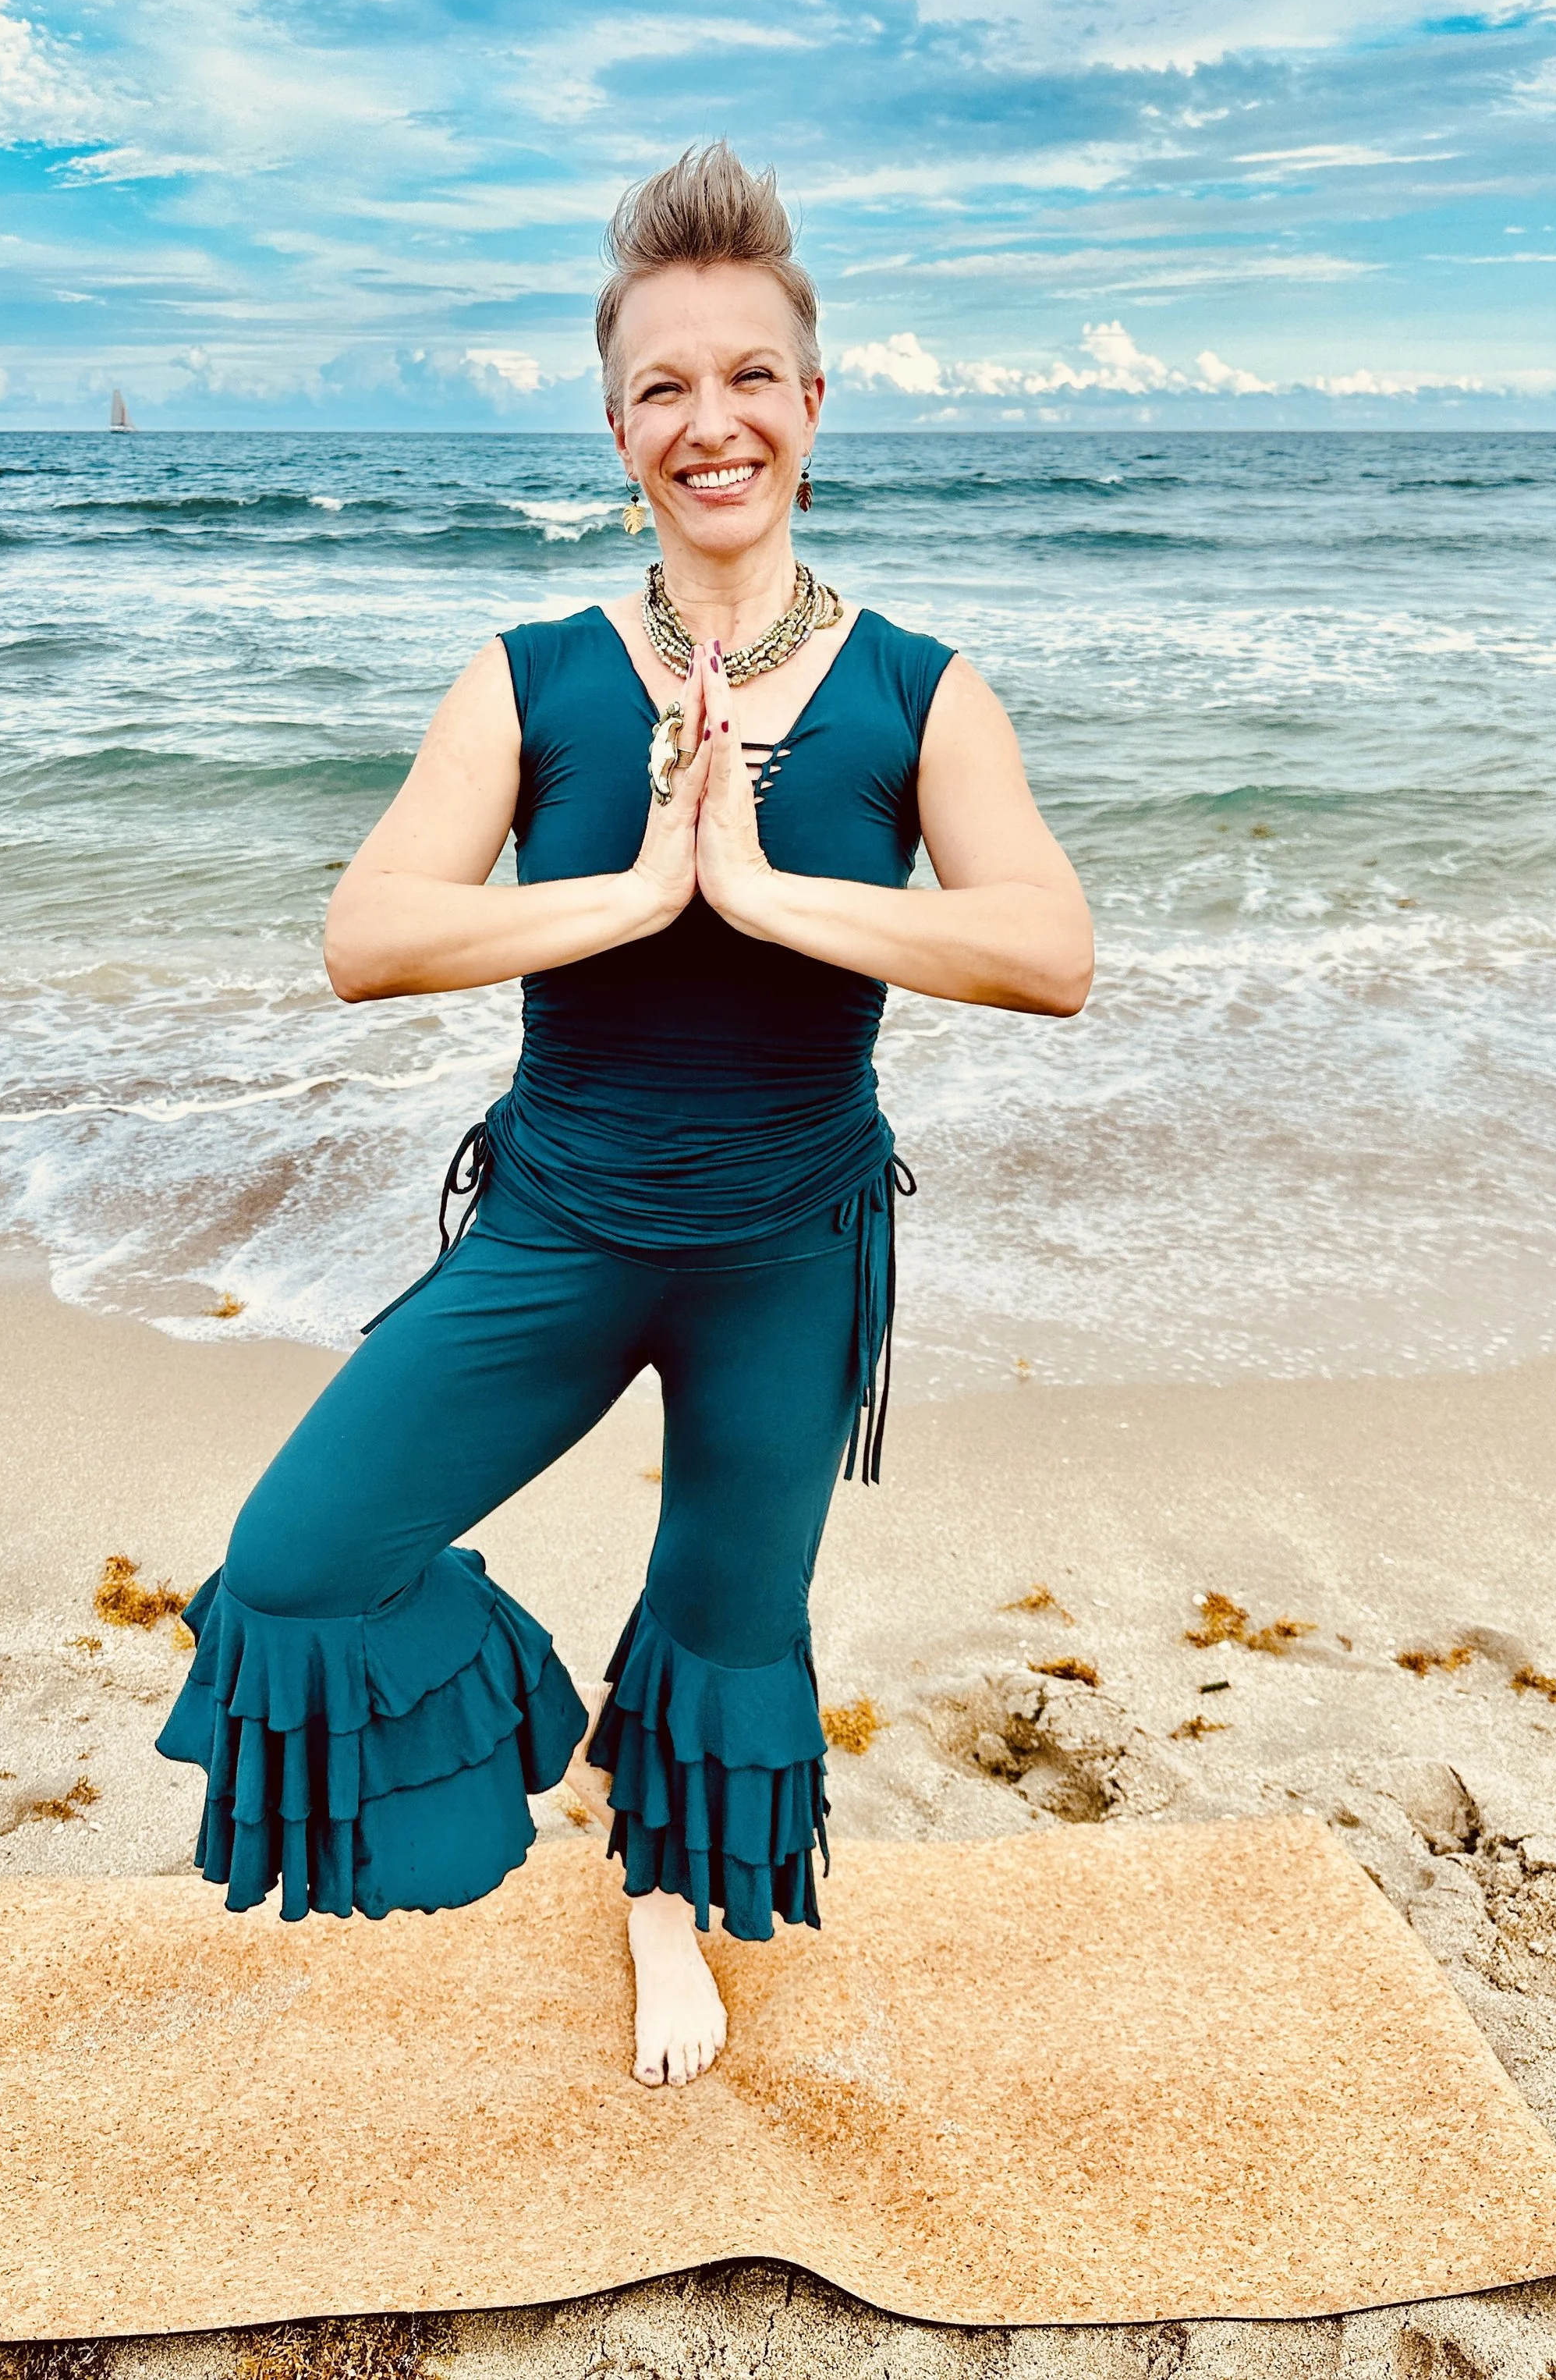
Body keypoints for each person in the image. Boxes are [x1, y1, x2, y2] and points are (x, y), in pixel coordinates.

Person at [157, 141, 1093, 2089]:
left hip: (793, 1245)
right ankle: (570, 1741)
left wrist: (766, 896)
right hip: (560, 1221)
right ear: (616, 428)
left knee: (727, 1614)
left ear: (811, 406)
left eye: (747, 375)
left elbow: (1043, 946)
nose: (710, 419)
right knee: (300, 1564)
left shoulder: (922, 690)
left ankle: (660, 1911)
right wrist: (632, 895)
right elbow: (367, 932)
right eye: (662, 387)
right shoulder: (529, 677)